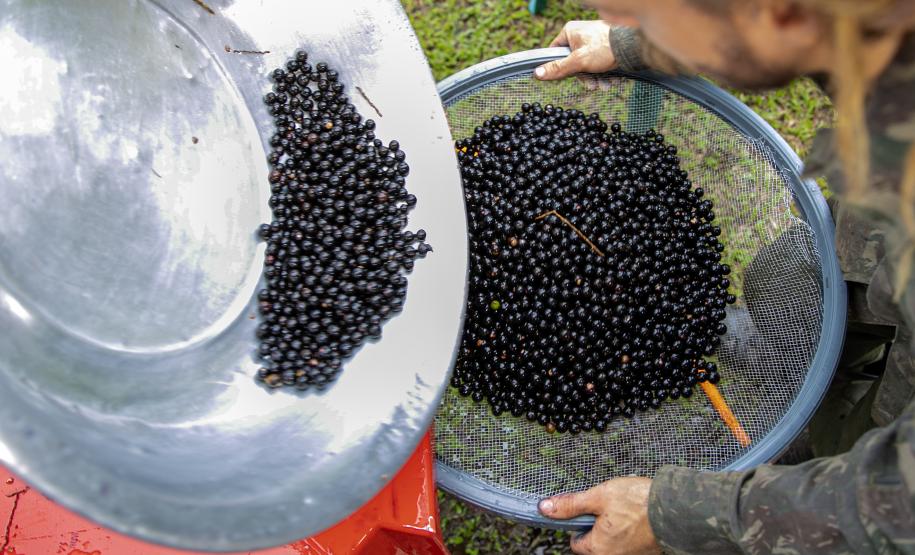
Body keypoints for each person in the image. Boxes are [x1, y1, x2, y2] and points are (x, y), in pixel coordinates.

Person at [531, 1, 915, 554]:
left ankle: (812, 438)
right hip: (876, 240)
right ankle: (789, 355)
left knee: (847, 438)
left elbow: (890, 506)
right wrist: (633, 46)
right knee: (783, 280)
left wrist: (671, 515)